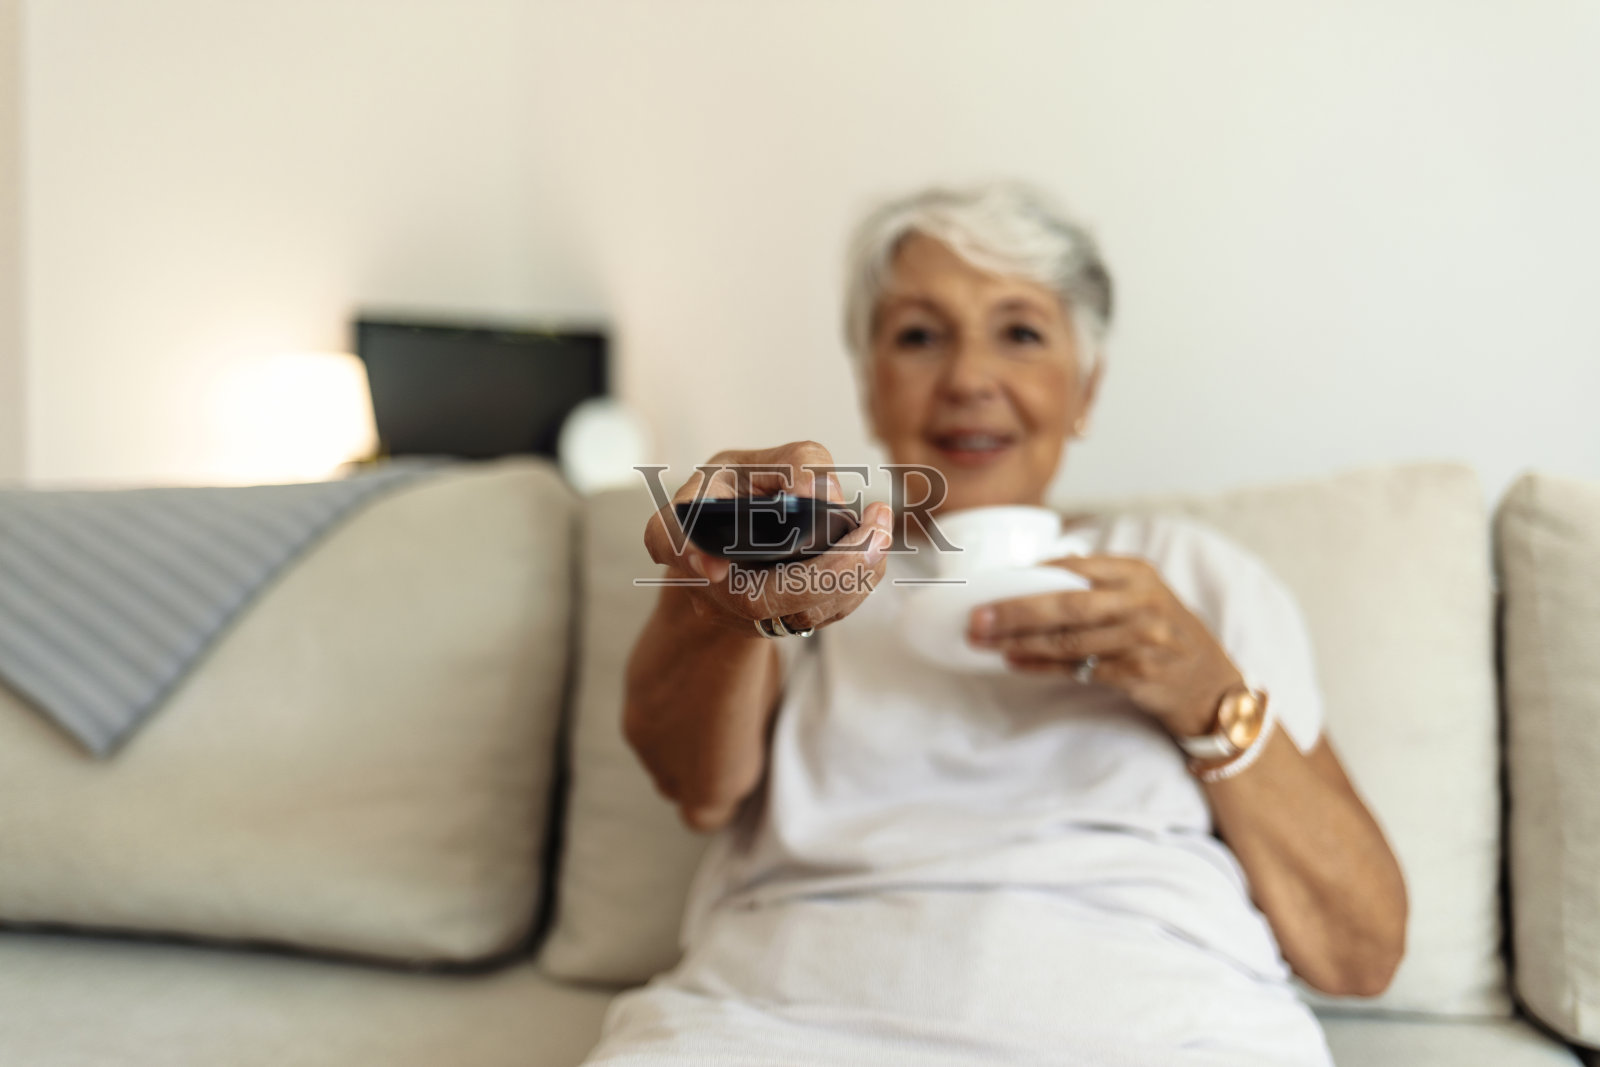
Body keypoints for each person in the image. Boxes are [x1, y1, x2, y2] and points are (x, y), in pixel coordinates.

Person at [580, 183, 1407, 1066]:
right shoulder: (814, 565)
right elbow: (696, 786)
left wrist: (1205, 695)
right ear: (870, 385)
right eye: (919, 336)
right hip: (784, 1020)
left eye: (1019, 332)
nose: (969, 378)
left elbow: (1359, 952)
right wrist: (714, 598)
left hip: (1160, 1029)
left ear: (1084, 388)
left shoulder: (1194, 575)